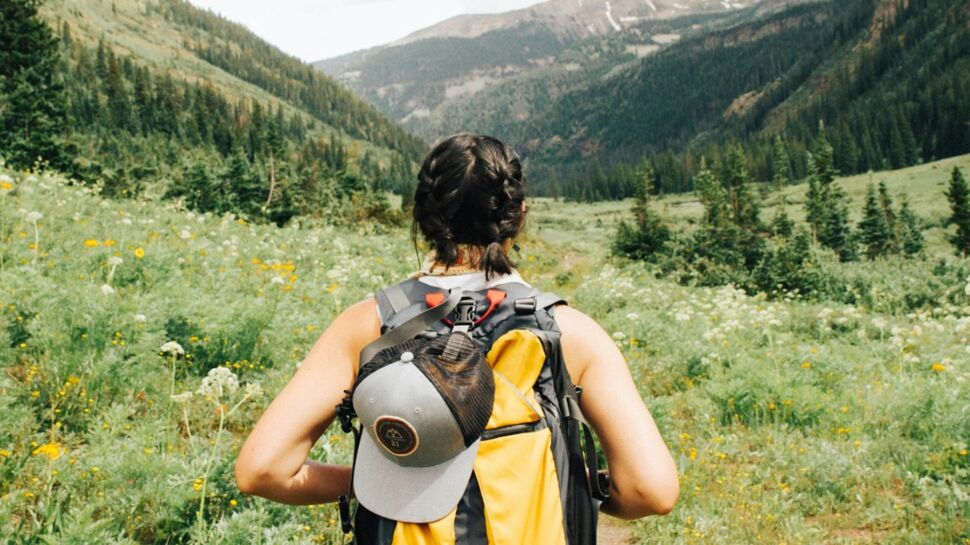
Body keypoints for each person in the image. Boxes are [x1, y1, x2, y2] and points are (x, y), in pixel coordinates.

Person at [234, 133, 679, 529]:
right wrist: (570, 483)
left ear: (423, 217)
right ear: (518, 216)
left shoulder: (368, 324)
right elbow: (651, 490)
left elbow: (263, 470)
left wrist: (370, 482)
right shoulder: (571, 333)